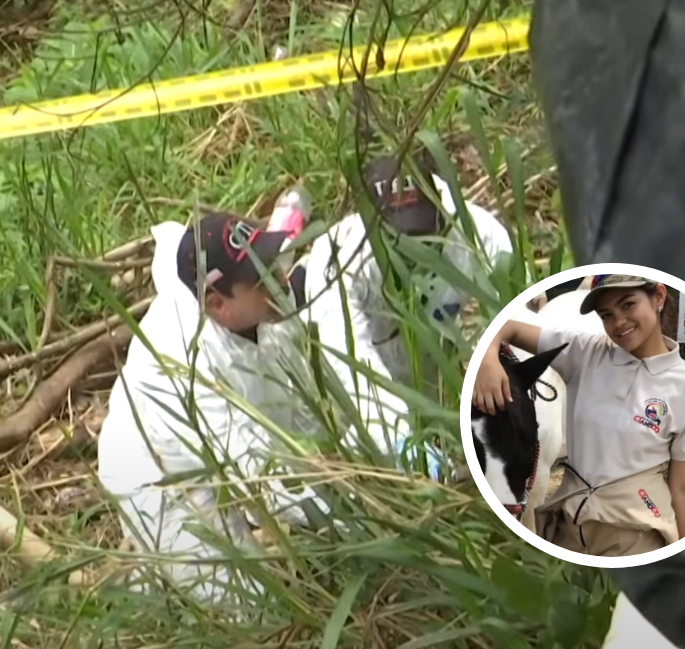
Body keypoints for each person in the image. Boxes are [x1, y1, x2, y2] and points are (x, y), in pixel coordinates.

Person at [96, 211, 327, 602]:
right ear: (218, 304)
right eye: (261, 279)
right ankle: (154, 570)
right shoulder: (180, 368)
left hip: (231, 449)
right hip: (164, 476)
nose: (281, 281)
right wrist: (348, 510)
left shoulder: (264, 304)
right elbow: (256, 477)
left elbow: (303, 403)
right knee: (256, 610)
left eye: (272, 264)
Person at [472, 274, 685, 556]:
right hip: (571, 524)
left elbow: (682, 488)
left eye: (628, 304)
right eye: (606, 314)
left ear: (658, 297)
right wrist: (486, 359)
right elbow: (508, 327)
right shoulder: (586, 352)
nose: (618, 321)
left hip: (636, 531)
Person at [297, 150, 514, 440]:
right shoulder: (339, 260)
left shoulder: (478, 236)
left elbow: (519, 318)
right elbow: (353, 368)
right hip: (350, 398)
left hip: (431, 382)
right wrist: (401, 438)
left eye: (424, 235)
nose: (415, 252)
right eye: (400, 242)